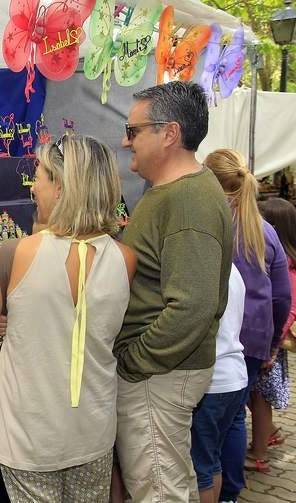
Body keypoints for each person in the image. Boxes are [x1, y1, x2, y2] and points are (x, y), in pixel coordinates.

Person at [0, 135, 136, 502]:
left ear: (61, 186)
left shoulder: (15, 254)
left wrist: (14, 331)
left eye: (40, 176)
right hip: (93, 427)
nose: (34, 186)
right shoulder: (125, 258)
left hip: (29, 431)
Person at [112, 81, 234, 503]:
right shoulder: (173, 193)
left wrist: (135, 361)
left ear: (169, 133)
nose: (124, 140)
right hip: (162, 372)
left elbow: (193, 305)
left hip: (158, 375)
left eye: (133, 130)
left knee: (159, 490)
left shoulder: (187, 201)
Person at [200, 150, 291, 502]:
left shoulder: (214, 228)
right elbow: (281, 296)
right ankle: (231, 492)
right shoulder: (266, 231)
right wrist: (272, 342)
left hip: (217, 343)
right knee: (236, 417)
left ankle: (214, 483)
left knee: (215, 425)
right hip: (255, 340)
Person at [189, 263, 247, 503]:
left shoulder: (206, 268)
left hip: (214, 382)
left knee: (201, 466)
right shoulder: (233, 268)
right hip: (235, 376)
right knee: (212, 461)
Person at [255, 197, 296, 452]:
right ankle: (269, 432)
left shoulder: (288, 269)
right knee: (255, 396)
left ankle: (260, 450)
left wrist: (272, 348)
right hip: (267, 342)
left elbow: (288, 309)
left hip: (271, 345)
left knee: (259, 399)